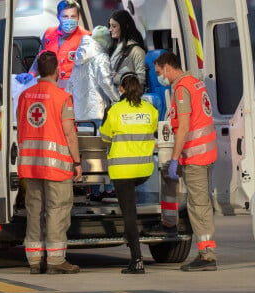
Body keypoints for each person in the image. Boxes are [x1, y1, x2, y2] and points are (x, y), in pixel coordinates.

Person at [17, 50, 83, 275]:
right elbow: (69, 133)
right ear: (57, 71)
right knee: (57, 209)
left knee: (34, 210)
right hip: (56, 167)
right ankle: (55, 259)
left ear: (38, 72)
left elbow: (21, 127)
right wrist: (77, 162)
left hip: (30, 165)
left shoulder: (25, 96)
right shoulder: (62, 97)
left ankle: (34, 260)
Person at [153, 52, 218, 272]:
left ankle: (207, 255)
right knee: (201, 203)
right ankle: (206, 252)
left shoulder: (181, 89)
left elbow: (184, 128)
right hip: (206, 152)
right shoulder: (196, 83)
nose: (160, 77)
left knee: (198, 205)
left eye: (159, 72)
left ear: (168, 68)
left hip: (196, 155)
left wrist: (174, 159)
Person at [99, 72, 158, 274]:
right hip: (144, 169)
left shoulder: (115, 110)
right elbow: (152, 131)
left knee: (129, 215)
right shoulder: (151, 110)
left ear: (122, 90)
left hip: (122, 170)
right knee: (131, 210)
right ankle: (129, 235)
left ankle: (137, 260)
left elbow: (105, 137)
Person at [17, 0, 90, 88]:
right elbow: (40, 57)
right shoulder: (49, 34)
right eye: (65, 16)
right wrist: (31, 74)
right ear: (58, 16)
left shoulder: (86, 37)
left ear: (78, 17)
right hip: (51, 87)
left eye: (73, 16)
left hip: (75, 90)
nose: (69, 20)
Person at [67, 25, 119, 125]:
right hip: (97, 112)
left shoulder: (78, 58)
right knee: (97, 140)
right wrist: (117, 99)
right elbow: (106, 82)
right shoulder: (102, 57)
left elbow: (70, 86)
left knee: (84, 139)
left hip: (78, 114)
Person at [108, 9, 146, 87]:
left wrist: (117, 78)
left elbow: (141, 79)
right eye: (110, 26)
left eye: (114, 26)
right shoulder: (112, 48)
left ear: (125, 26)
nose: (110, 29)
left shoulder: (137, 51)